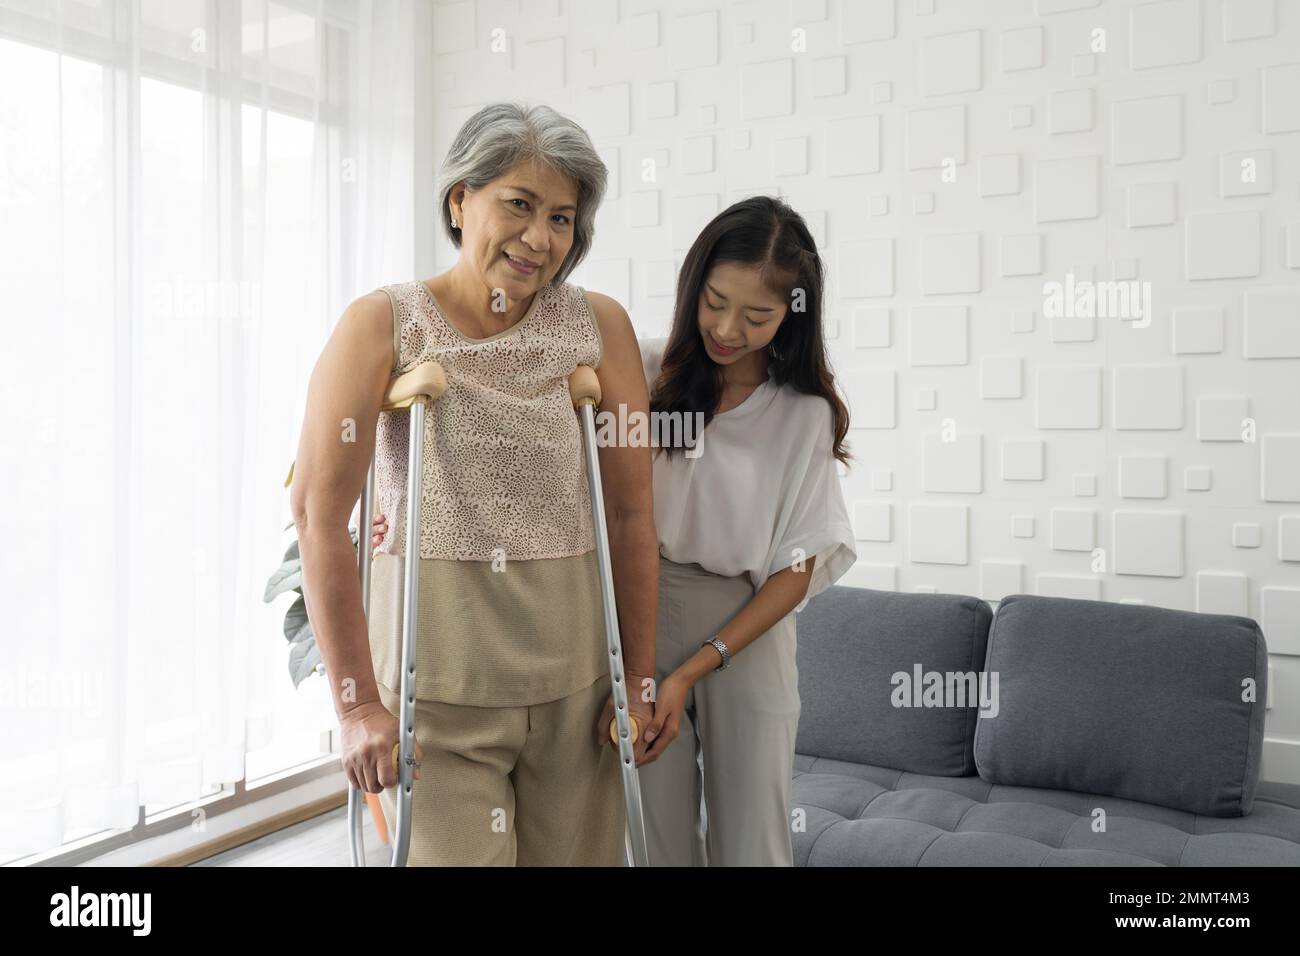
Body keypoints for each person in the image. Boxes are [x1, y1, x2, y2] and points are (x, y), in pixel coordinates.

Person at [375, 196, 858, 866]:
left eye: (757, 316)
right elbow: (529, 457)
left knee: (754, 842)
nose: (726, 327)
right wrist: (401, 504)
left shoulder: (802, 415)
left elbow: (798, 567)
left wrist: (695, 667)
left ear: (793, 318)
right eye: (714, 301)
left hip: (745, 635)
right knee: (651, 834)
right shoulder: (640, 368)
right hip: (639, 610)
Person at [291, 101, 658, 867]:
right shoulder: (383, 324)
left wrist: (641, 677)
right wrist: (357, 705)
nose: (540, 238)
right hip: (436, 690)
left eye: (562, 218)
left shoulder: (598, 327)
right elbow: (319, 515)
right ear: (462, 200)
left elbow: (628, 511)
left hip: (576, 684)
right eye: (518, 205)